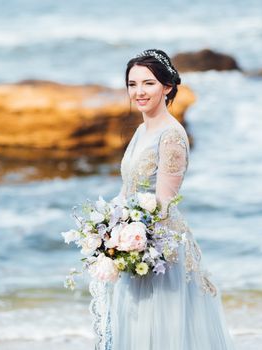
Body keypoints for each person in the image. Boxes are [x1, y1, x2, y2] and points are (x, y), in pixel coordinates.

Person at [89, 49, 236, 350]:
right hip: (133, 241)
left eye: (148, 83)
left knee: (159, 332)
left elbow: (163, 203)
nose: (139, 92)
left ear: (167, 87)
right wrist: (105, 233)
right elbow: (128, 189)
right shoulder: (142, 130)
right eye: (132, 84)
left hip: (159, 249)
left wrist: (130, 239)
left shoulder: (171, 135)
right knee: (134, 327)